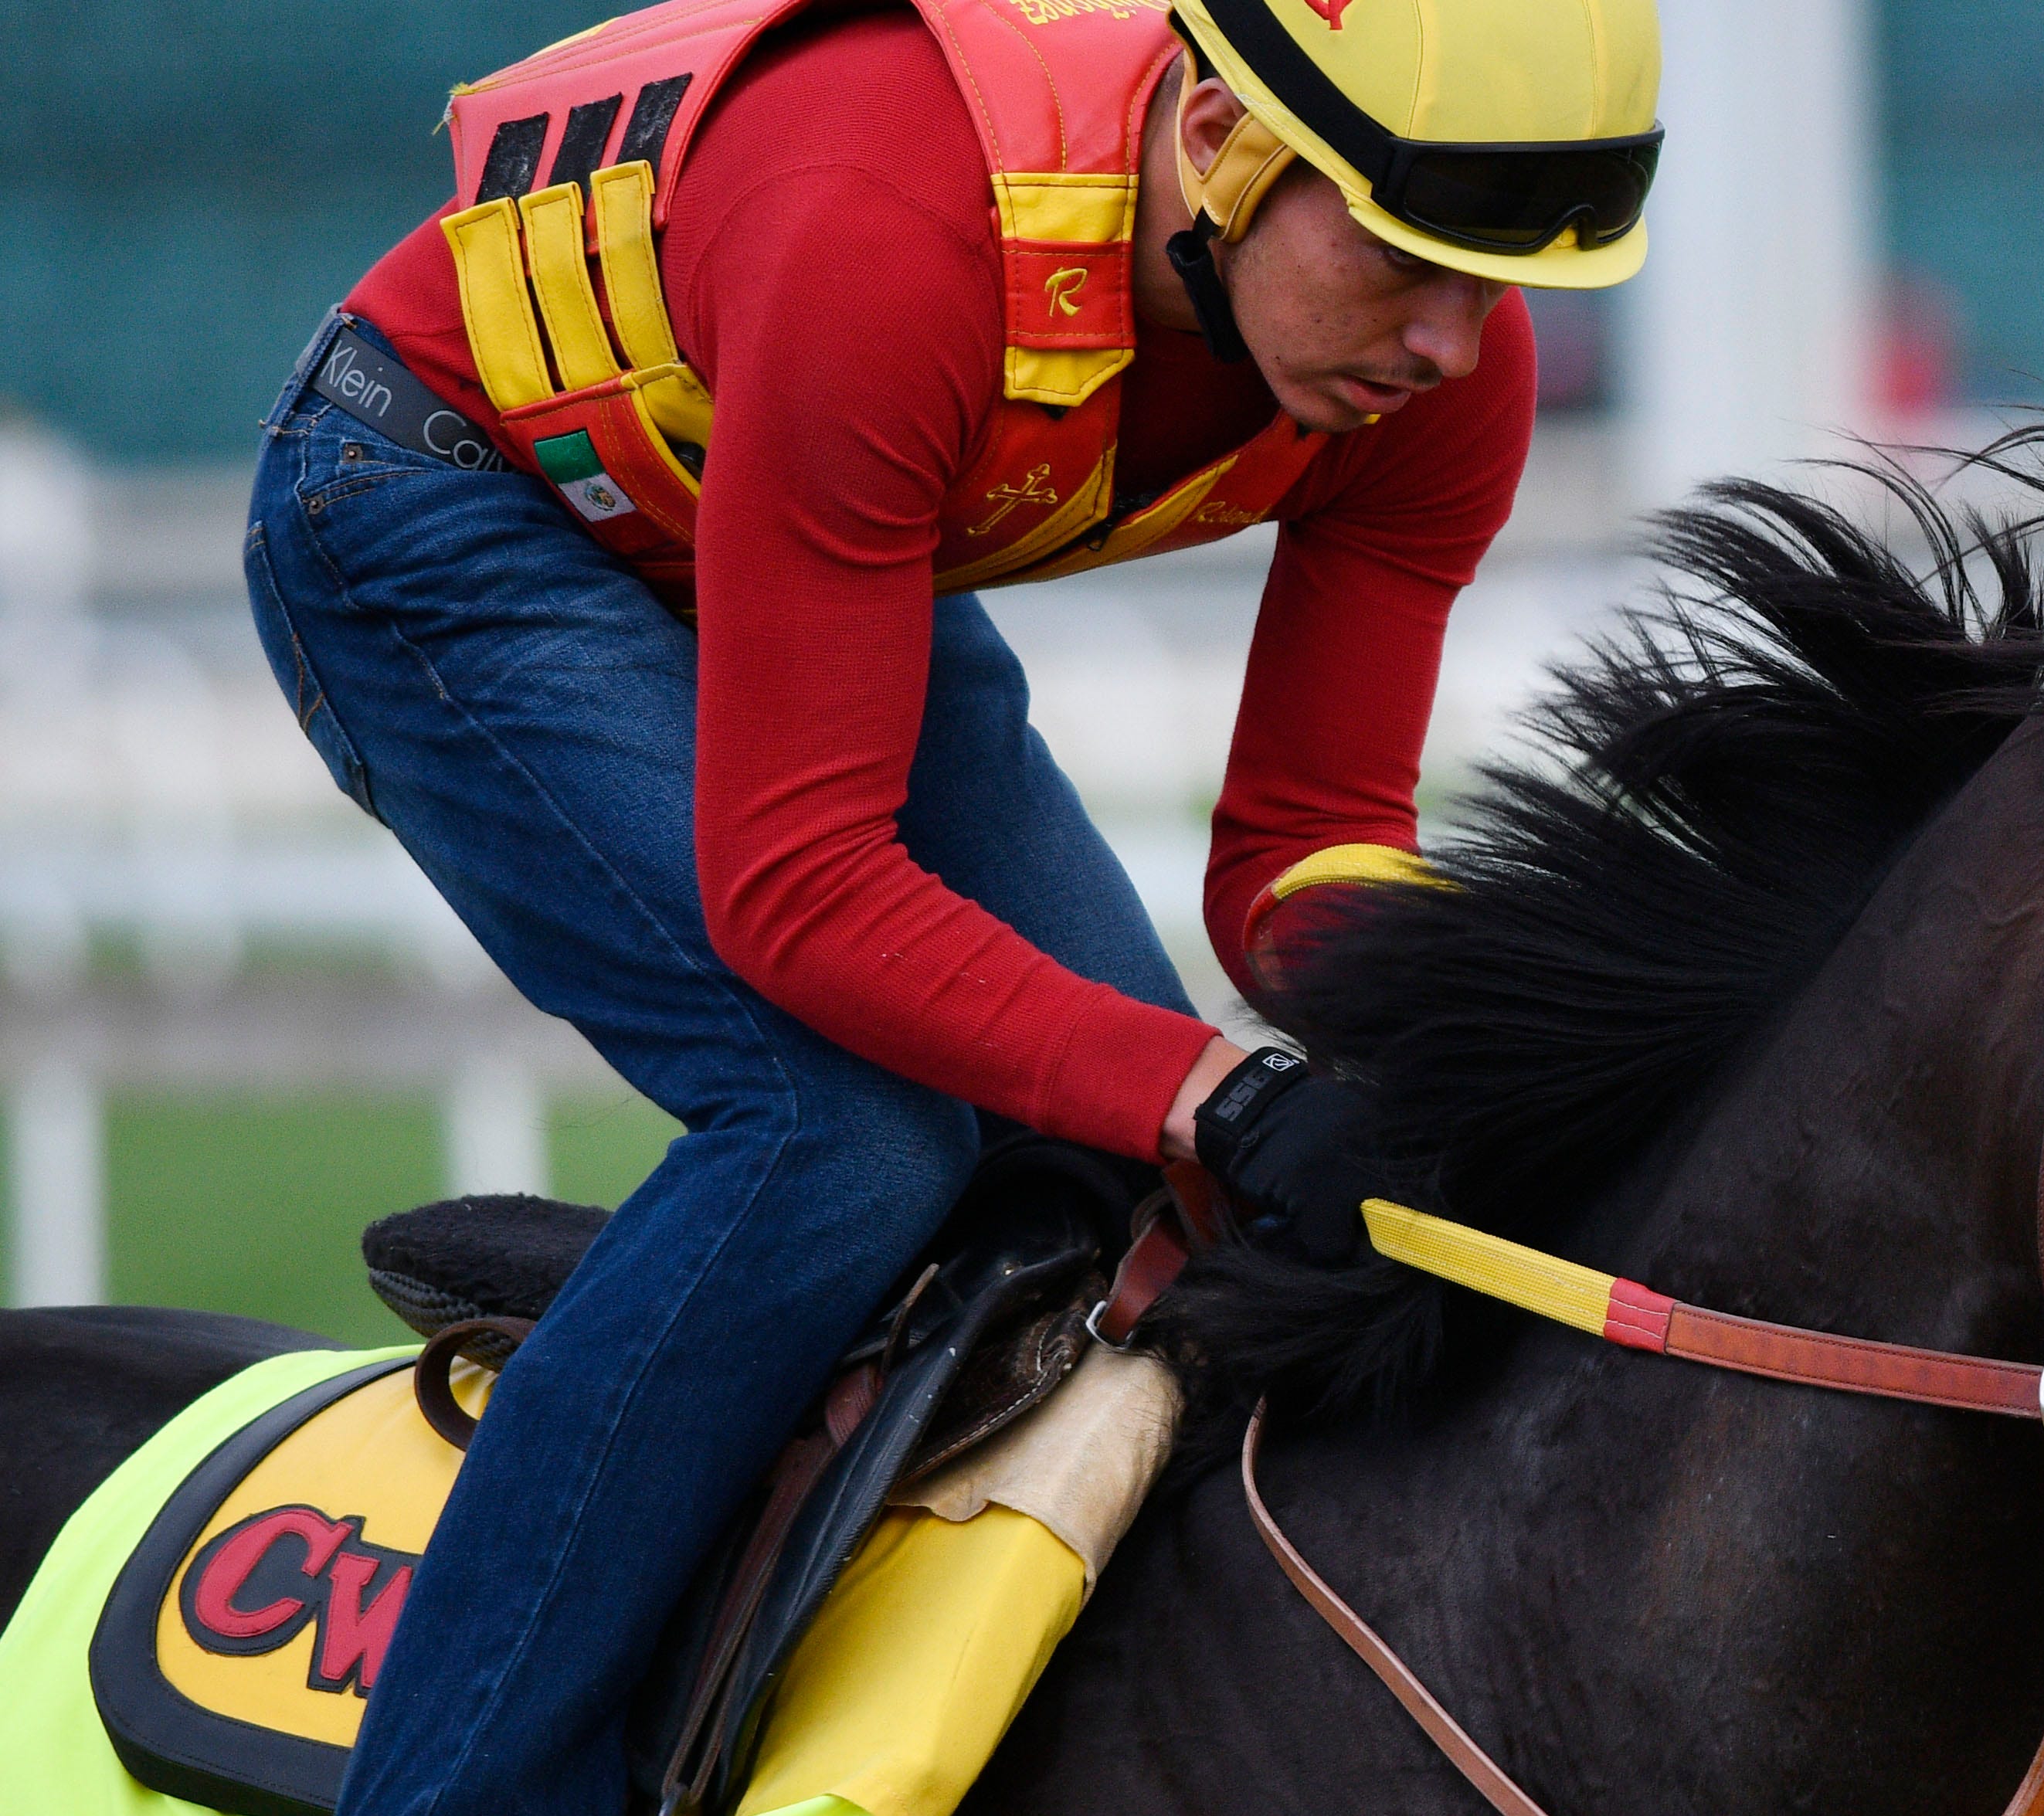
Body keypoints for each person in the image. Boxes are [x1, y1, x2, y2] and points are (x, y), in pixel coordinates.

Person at [239, 0, 1662, 1808]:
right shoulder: (887, 232)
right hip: (442, 497)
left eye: (1500, 278)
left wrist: (1454, 1053)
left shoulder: (1437, 376)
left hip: (775, 498)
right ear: (1219, 142)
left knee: (1129, 1169)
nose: (1452, 342)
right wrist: (1220, 1089)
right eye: (1404, 261)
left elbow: (1305, 843)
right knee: (839, 1136)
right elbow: (799, 892)